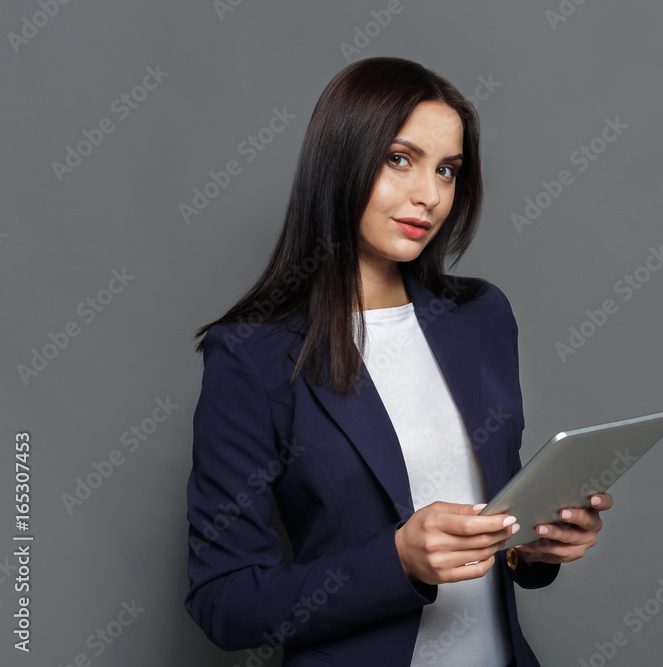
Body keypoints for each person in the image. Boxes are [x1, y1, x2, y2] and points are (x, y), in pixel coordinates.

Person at [183, 56, 613, 667]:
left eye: (448, 170)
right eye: (399, 160)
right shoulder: (254, 356)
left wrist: (533, 548)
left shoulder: (482, 317)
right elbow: (223, 603)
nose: (430, 196)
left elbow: (496, 518)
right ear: (341, 159)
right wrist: (397, 562)